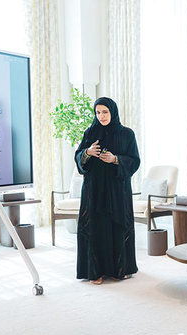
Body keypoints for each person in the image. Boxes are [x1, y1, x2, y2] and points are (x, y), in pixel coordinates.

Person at [74, 97, 141, 285]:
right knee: (94, 227)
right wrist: (87, 153)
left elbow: (134, 161)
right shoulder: (90, 133)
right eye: (98, 112)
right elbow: (78, 157)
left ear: (113, 112)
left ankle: (119, 270)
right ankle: (94, 272)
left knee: (117, 226)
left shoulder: (127, 134)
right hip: (94, 190)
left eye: (105, 112)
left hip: (117, 190)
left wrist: (115, 159)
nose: (101, 116)